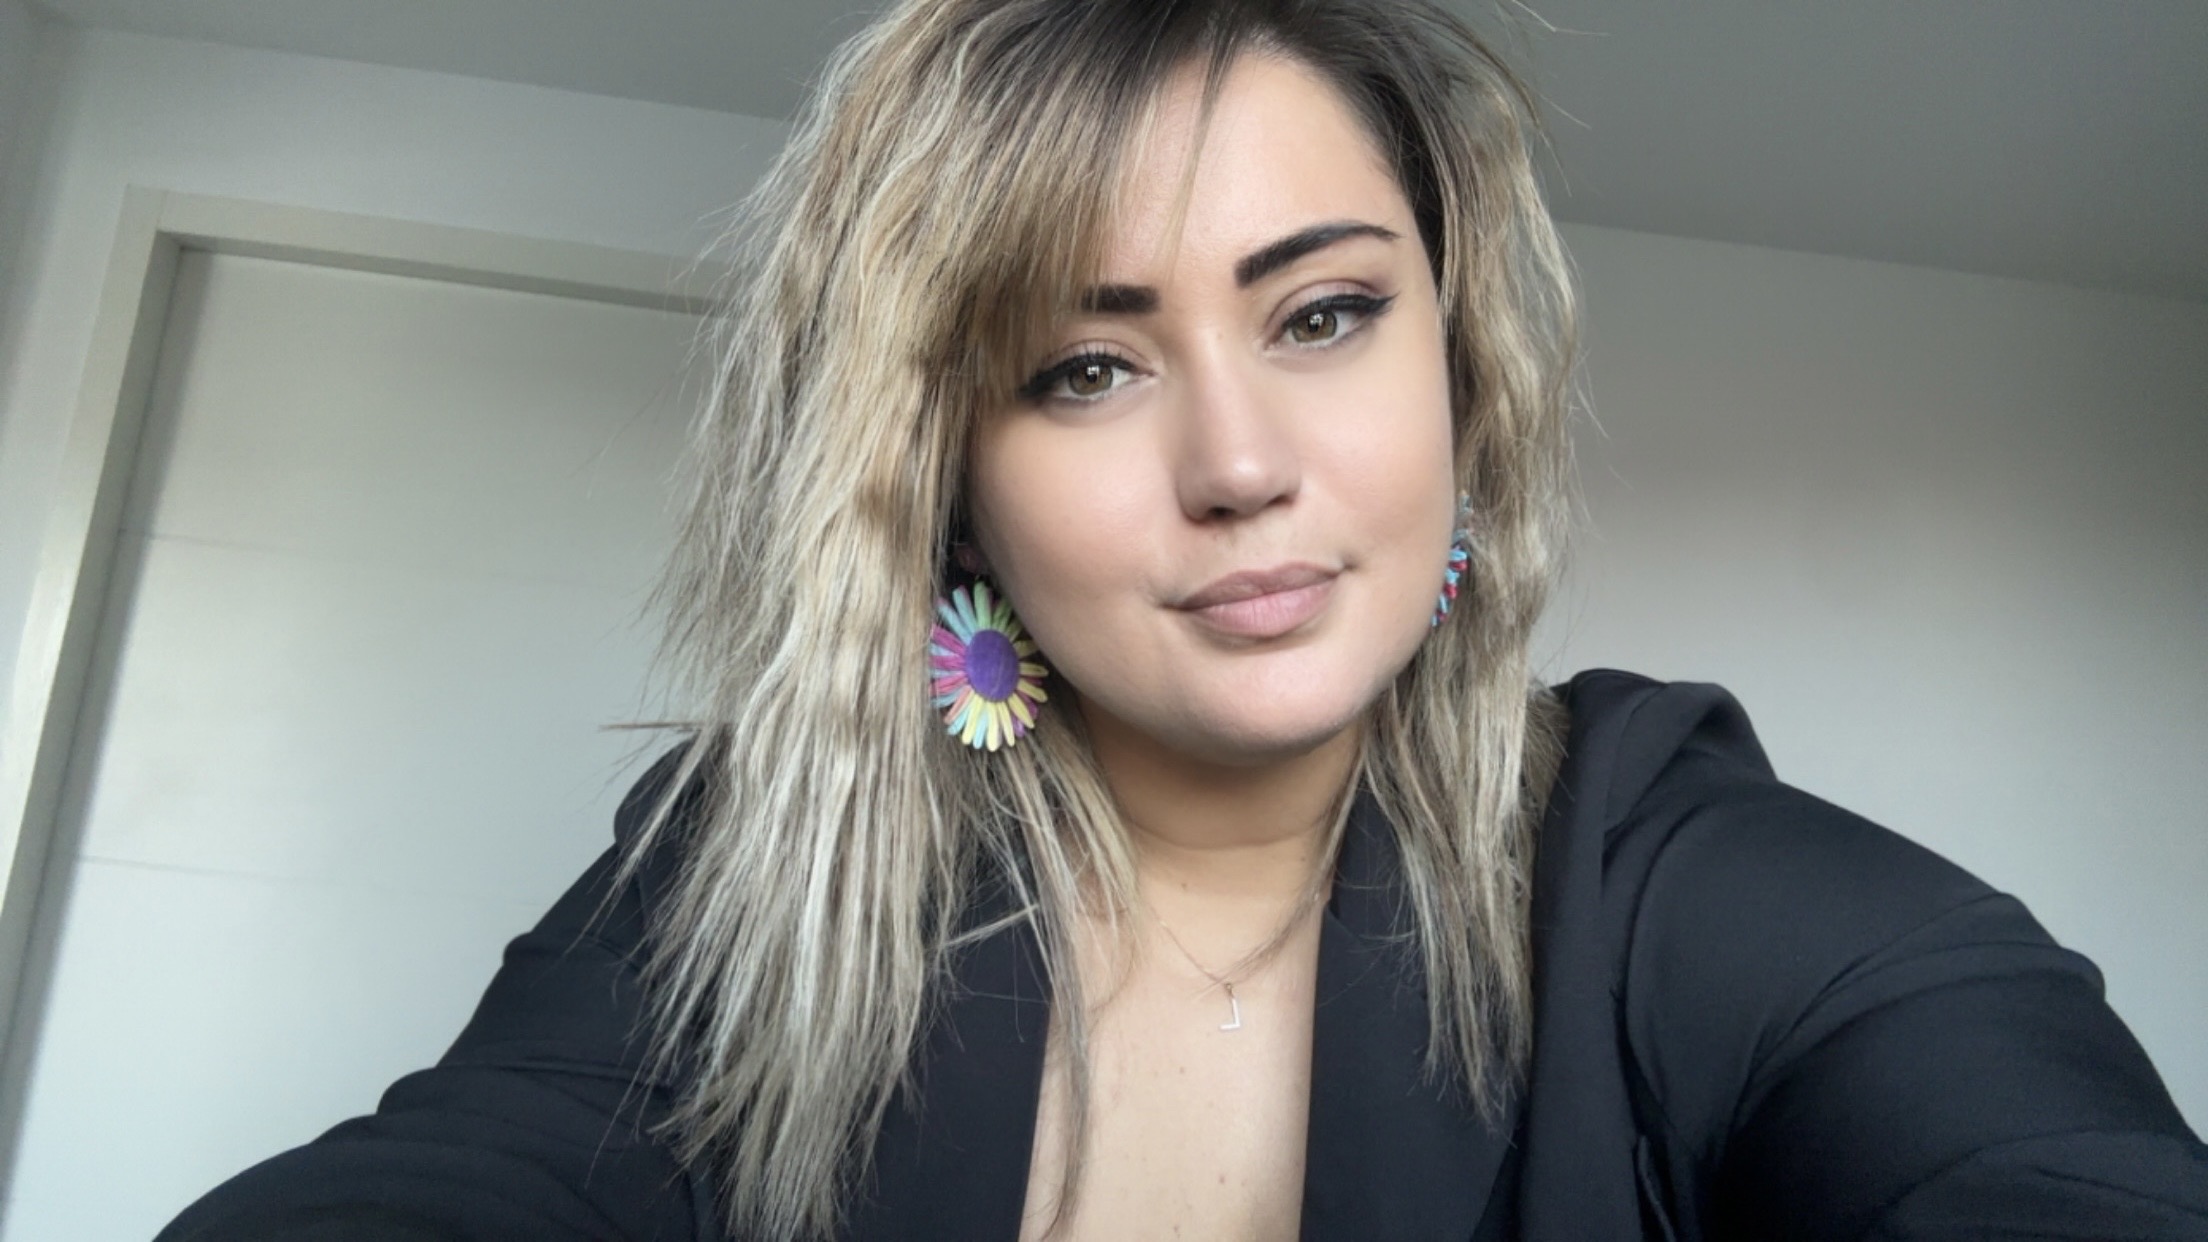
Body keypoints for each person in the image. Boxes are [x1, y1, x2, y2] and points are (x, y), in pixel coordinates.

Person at [160, 0, 2208, 1238]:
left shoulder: (1681, 878)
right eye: (1086, 366)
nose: (1240, 462)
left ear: (1459, 372)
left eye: (1323, 314)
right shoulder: (752, 863)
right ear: (942, 474)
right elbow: (479, 1168)